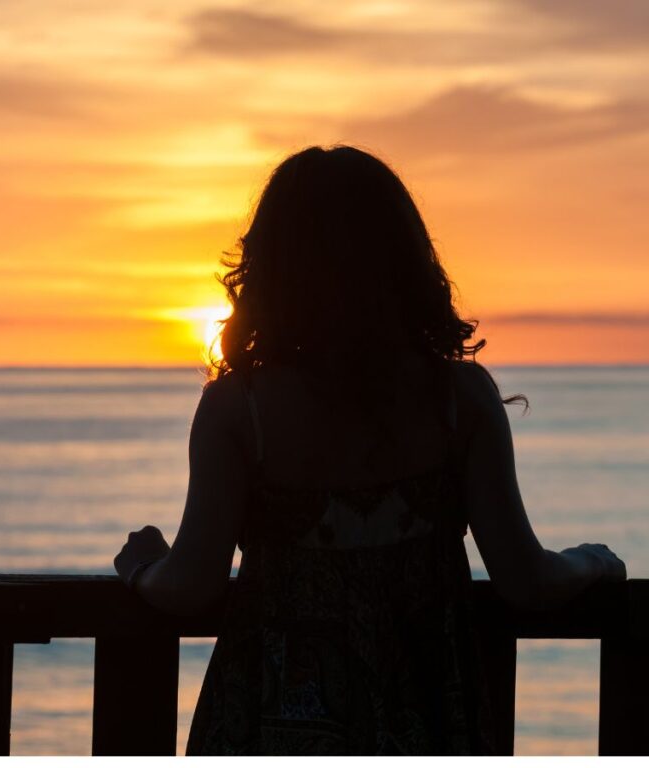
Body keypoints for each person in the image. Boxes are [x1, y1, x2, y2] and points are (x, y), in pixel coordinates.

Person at [112, 144, 627, 755]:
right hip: (429, 724)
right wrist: (592, 562)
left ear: (272, 271)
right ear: (406, 263)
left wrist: (143, 568)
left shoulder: (238, 411)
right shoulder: (459, 400)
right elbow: (526, 579)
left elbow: (193, 585)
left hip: (269, 727)